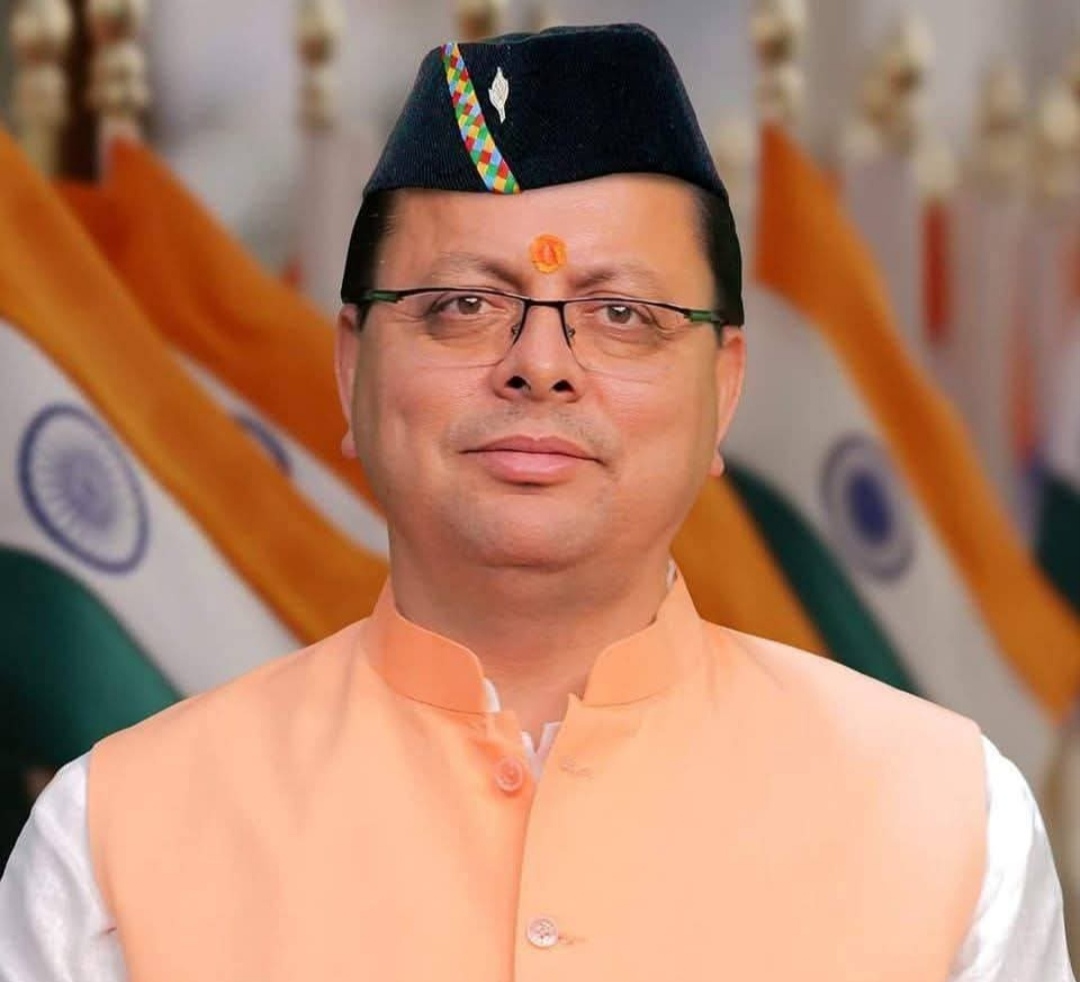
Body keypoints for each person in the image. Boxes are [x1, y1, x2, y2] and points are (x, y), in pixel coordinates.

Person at [0, 23, 1073, 981]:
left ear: (725, 388)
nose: (541, 364)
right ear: (352, 367)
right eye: (464, 305)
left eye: (623, 314)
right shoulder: (116, 839)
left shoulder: (943, 821)